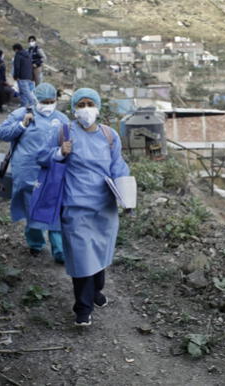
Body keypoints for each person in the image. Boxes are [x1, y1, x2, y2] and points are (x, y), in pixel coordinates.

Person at [38, 88, 130, 326]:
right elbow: (41, 157)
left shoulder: (109, 136)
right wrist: (59, 152)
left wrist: (127, 195)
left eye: (90, 104)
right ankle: (83, 308)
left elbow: (118, 166)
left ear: (97, 107)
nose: (86, 109)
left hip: (104, 208)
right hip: (74, 206)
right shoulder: (64, 133)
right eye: (81, 104)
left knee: (99, 253)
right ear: (74, 109)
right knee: (81, 257)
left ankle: (96, 290)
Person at [0, 83, 69, 263]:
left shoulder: (61, 118)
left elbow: (70, 142)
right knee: (32, 207)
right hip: (27, 169)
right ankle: (35, 243)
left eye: (52, 101)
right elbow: (2, 133)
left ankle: (59, 249)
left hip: (52, 169)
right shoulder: (22, 114)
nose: (48, 105)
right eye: (44, 101)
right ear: (36, 100)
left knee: (54, 206)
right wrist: (22, 124)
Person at [12, 43, 36, 107]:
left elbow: (17, 66)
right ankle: (23, 105)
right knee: (22, 92)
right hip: (29, 76)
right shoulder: (28, 54)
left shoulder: (18, 55)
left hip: (22, 76)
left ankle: (33, 103)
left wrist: (16, 76)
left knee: (26, 92)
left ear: (16, 49)